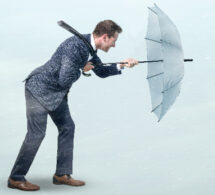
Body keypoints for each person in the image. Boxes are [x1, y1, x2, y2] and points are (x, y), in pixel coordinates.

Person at [8, 20, 138, 191]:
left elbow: (101, 71)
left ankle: (62, 174)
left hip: (56, 93)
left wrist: (122, 65)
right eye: (114, 40)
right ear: (105, 37)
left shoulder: (89, 48)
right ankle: (16, 178)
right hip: (39, 90)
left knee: (67, 127)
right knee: (37, 134)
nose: (114, 45)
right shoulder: (75, 47)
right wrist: (81, 70)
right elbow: (65, 79)